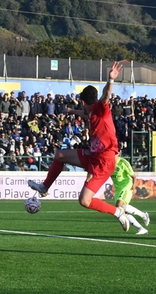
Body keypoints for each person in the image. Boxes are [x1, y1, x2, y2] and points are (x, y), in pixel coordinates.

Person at [28, 62, 130, 232]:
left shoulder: (100, 108)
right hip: (94, 155)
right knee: (60, 155)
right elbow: (85, 113)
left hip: (104, 162)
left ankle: (117, 212)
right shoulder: (90, 111)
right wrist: (70, 111)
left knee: (84, 201)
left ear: (83, 101)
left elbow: (106, 96)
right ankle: (44, 187)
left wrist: (110, 80)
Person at [112, 156, 150, 235]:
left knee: (119, 206)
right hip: (118, 189)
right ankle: (141, 227)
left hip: (126, 186)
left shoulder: (123, 162)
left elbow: (133, 176)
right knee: (122, 211)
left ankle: (143, 216)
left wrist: (134, 187)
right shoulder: (108, 163)